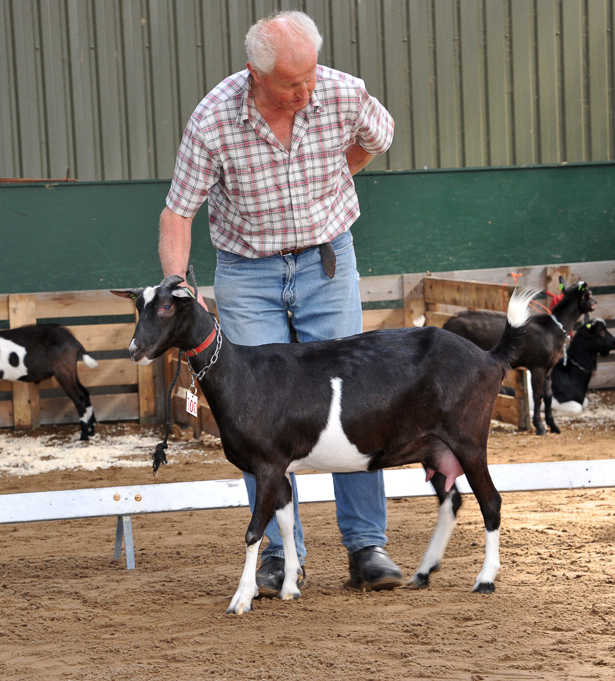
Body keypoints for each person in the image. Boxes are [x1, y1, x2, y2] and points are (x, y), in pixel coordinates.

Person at [157, 10, 402, 596]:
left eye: (310, 75)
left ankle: (366, 545)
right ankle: (275, 552)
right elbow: (178, 212)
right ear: (255, 75)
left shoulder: (341, 92)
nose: (306, 91)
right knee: (255, 412)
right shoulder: (214, 118)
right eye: (293, 83)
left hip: (326, 262)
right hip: (248, 271)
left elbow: (380, 136)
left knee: (356, 402)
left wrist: (338, 179)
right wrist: (175, 288)